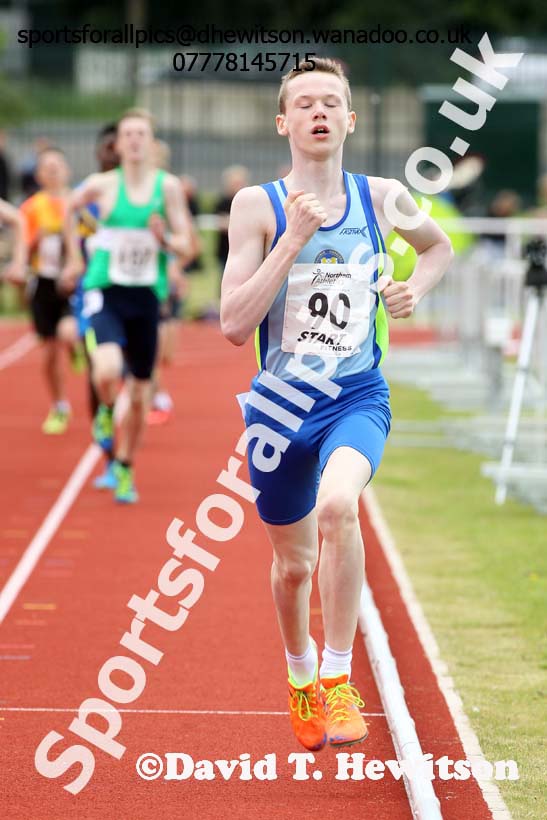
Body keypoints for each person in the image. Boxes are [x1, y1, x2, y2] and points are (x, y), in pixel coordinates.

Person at [220, 58, 453, 751]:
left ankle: (338, 677)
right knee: (291, 566)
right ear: (284, 122)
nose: (318, 112)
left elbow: (436, 249)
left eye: (331, 102)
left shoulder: (383, 198)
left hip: (355, 394)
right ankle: (298, 678)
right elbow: (233, 323)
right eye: (305, 103)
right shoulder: (254, 206)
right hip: (280, 409)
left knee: (338, 506)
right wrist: (291, 239)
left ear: (348, 120)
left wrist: (417, 288)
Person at [62, 108, 192, 503]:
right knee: (106, 369)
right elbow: (69, 208)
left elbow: (188, 242)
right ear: (117, 145)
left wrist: (166, 242)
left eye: (141, 134)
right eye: (128, 134)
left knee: (138, 393)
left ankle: (124, 466)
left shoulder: (167, 188)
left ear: (151, 144)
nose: (134, 140)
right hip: (106, 289)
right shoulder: (101, 185)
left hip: (146, 296)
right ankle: (104, 409)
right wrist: (74, 256)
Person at [19, 148, 80, 434]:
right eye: (47, 167)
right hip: (43, 282)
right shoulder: (31, 208)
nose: (53, 170)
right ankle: (59, 405)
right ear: (40, 174)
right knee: (49, 350)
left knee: (68, 334)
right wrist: (36, 241)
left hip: (75, 280)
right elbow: (22, 251)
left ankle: (76, 347)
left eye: (58, 165)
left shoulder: (78, 202)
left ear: (66, 170)